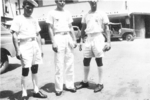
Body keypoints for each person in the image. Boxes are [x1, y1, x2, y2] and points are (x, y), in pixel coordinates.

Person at [10, 0, 47, 100]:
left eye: (32, 8)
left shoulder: (34, 19)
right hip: (24, 45)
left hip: (34, 44)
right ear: (23, 7)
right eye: (28, 7)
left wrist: (41, 49)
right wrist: (17, 50)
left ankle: (35, 91)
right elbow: (14, 35)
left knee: (35, 68)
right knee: (25, 69)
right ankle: (24, 93)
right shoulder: (18, 19)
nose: (30, 10)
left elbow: (38, 34)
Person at [76, 0, 111, 93]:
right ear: (89, 2)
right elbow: (83, 29)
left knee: (98, 60)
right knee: (86, 60)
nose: (93, 2)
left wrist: (108, 42)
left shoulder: (102, 13)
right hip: (88, 39)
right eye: (91, 1)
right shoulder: (86, 14)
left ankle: (100, 83)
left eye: (95, 1)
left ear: (97, 1)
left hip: (98, 37)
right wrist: (80, 41)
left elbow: (107, 29)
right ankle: (85, 81)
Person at [46, 0, 77, 96]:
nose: (62, 2)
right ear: (56, 1)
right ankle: (58, 88)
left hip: (68, 37)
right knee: (59, 64)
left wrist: (74, 39)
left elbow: (70, 26)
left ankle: (70, 85)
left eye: (64, 0)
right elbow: (50, 28)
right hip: (58, 37)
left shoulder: (67, 13)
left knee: (69, 62)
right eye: (60, 0)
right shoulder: (51, 13)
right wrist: (53, 42)